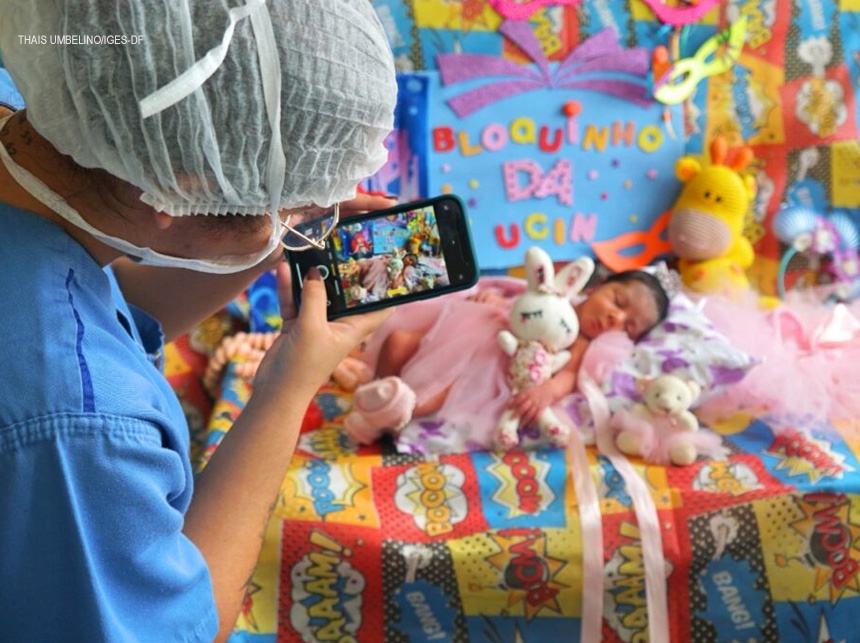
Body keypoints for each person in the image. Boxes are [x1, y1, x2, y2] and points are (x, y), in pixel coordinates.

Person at [0, 2, 397, 641]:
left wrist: (266, 230)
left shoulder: (42, 118)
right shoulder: (78, 421)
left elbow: (102, 309)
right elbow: (175, 626)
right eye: (291, 205)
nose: (302, 220)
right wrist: (286, 389)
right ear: (178, 189)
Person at [344, 268, 670, 453]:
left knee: (429, 398)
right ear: (599, 285)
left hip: (486, 369)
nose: (615, 317)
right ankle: (378, 392)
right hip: (461, 334)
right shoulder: (555, 292)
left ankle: (387, 420)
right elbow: (517, 301)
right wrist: (493, 299)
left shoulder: (580, 340)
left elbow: (568, 375)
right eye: (617, 301)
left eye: (628, 325)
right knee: (398, 343)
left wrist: (547, 393)